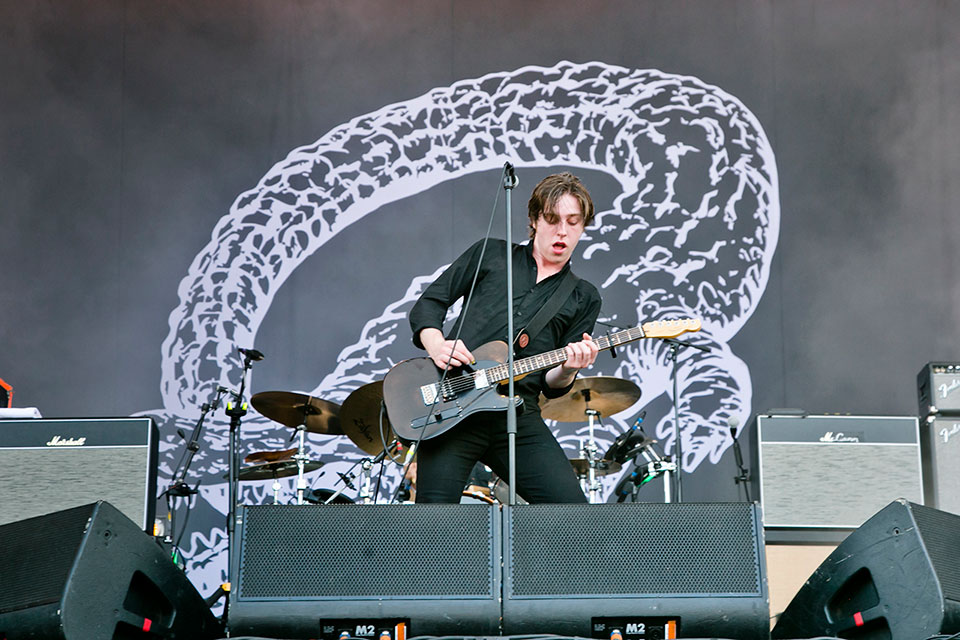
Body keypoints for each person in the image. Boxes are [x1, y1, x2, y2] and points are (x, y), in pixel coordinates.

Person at [408, 172, 602, 503]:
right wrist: (437, 345)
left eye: (573, 221)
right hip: (454, 404)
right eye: (553, 219)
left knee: (573, 516)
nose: (562, 231)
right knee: (432, 523)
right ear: (534, 220)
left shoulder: (584, 297)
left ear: (583, 226)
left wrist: (570, 368)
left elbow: (551, 385)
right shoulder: (491, 255)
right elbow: (429, 304)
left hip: (517, 413)